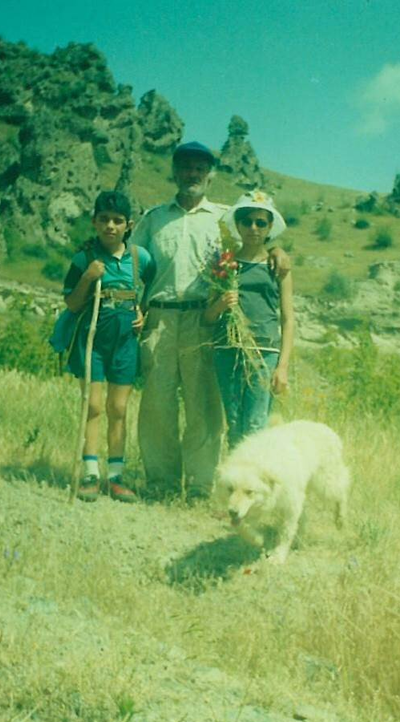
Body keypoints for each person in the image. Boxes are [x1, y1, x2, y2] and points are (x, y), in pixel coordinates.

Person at [131, 141, 291, 500]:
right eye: (185, 167)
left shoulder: (224, 220)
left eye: (199, 169)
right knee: (157, 404)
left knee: (204, 405)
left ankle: (202, 485)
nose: (192, 174)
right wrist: (134, 306)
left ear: (210, 175)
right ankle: (161, 483)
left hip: (205, 321)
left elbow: (256, 246)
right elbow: (133, 265)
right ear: (174, 171)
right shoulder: (154, 219)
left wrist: (280, 251)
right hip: (160, 319)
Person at [62, 190, 149, 502]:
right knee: (94, 405)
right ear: (94, 222)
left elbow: (148, 293)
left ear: (129, 225)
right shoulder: (83, 259)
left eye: (118, 221)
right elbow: (72, 304)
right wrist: (88, 277)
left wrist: (142, 313)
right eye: (104, 220)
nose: (111, 226)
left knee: (119, 408)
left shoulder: (141, 258)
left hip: (125, 342)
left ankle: (115, 477)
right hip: (93, 340)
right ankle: (89, 474)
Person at [205, 191, 294, 447]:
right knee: (234, 421)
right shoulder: (225, 264)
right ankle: (236, 484)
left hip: (264, 350)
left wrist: (283, 366)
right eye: (247, 221)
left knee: (256, 423)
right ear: (238, 225)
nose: (253, 228)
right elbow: (207, 318)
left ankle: (257, 484)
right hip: (228, 349)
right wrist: (221, 304)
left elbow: (288, 319)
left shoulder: (279, 266)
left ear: (269, 227)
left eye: (261, 222)